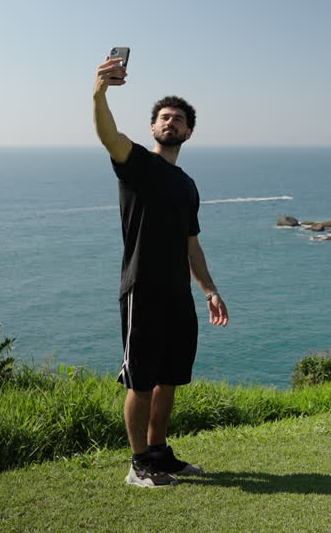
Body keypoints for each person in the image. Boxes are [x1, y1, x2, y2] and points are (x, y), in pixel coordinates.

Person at [92, 55, 230, 488]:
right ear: (153, 127)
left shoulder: (187, 184)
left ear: (188, 132)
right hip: (143, 288)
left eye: (179, 119)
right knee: (141, 380)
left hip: (177, 293)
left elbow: (192, 245)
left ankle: (158, 452)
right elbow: (108, 135)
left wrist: (209, 290)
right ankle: (138, 465)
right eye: (165, 117)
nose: (171, 122)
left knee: (170, 378)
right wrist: (99, 92)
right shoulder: (137, 164)